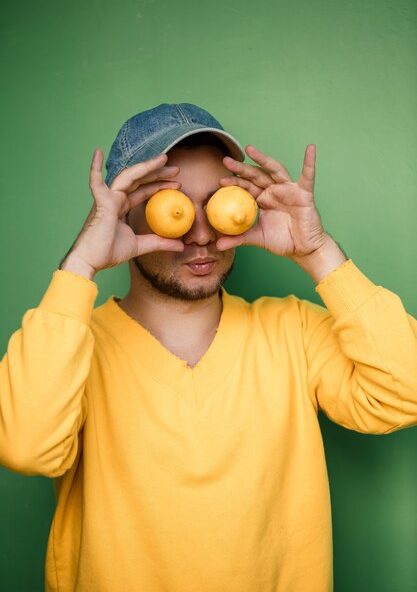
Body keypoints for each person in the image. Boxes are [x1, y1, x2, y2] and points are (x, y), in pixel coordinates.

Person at [1, 102, 417, 592]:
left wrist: (318, 251)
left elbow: (404, 391)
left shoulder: (293, 331)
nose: (201, 234)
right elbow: (27, 448)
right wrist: (79, 267)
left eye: (217, 204)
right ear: (122, 215)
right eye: (172, 209)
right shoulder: (73, 345)